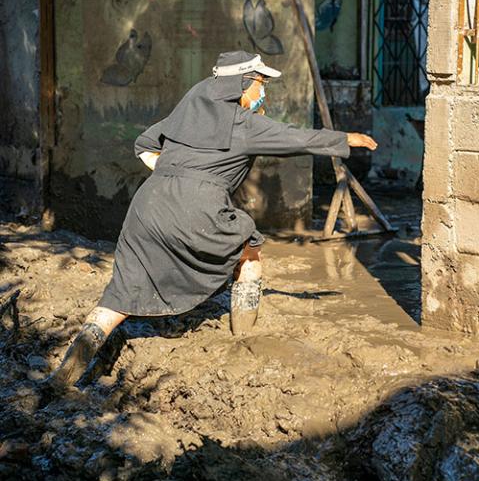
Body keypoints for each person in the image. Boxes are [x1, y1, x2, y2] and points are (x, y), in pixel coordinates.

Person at [48, 51, 377, 390]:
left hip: (147, 206)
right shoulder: (243, 123)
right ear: (243, 85)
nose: (263, 92)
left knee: (117, 298)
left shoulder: (186, 113)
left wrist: (175, 174)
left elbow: (144, 144)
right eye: (261, 84)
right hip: (198, 206)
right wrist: (346, 139)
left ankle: (62, 378)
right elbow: (297, 138)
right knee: (249, 251)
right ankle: (244, 336)